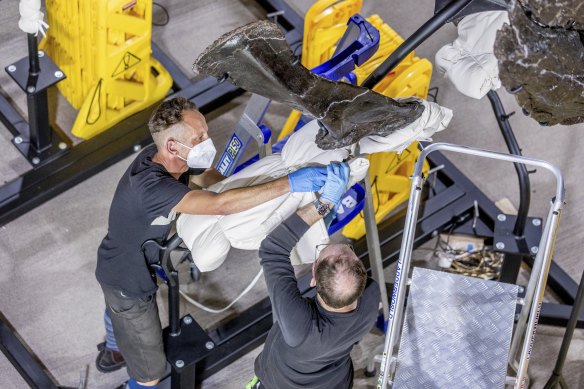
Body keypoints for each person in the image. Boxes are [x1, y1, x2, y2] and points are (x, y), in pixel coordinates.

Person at [94, 96, 328, 388]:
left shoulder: (169, 160)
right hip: (128, 283)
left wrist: (251, 187)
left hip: (118, 257)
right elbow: (220, 205)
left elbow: (212, 182)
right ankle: (127, 363)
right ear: (172, 146)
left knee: (117, 311)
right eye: (200, 136)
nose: (207, 140)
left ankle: (115, 348)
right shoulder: (151, 187)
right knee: (150, 373)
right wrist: (292, 183)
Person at [249, 163, 381, 389]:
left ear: (313, 277)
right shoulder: (371, 295)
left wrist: (324, 204)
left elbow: (272, 249)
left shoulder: (300, 327)